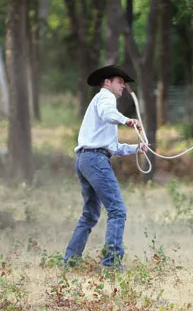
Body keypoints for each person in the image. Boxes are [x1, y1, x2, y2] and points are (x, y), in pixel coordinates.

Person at [64, 65, 148, 270]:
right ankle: (111, 264)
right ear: (107, 83)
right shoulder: (105, 98)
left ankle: (71, 261)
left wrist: (137, 147)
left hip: (85, 159)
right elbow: (108, 113)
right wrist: (127, 120)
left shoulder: (102, 103)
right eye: (120, 81)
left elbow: (112, 147)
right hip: (95, 160)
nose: (123, 86)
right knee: (117, 211)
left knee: (91, 214)